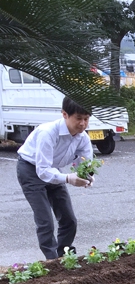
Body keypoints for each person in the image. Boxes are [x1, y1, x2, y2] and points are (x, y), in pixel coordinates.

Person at [16, 96, 94, 259]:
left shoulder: (83, 138)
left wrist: (88, 176)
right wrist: (69, 178)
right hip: (30, 170)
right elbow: (42, 170)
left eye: (86, 119)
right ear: (64, 114)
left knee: (69, 219)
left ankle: (64, 256)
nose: (82, 124)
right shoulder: (48, 132)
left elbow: (85, 164)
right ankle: (52, 262)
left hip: (54, 171)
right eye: (78, 118)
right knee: (45, 221)